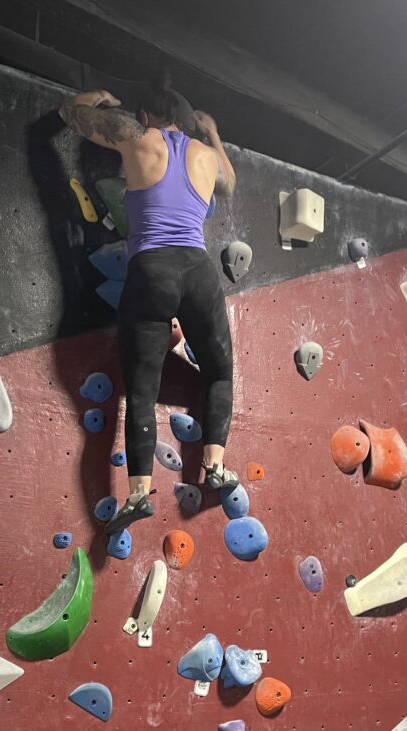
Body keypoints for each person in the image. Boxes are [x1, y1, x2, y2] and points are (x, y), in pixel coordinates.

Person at [58, 72, 238, 535]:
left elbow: (69, 116)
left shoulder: (138, 136)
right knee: (218, 372)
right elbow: (230, 184)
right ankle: (214, 466)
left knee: (138, 390)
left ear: (146, 116)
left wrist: (93, 98)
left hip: (151, 268)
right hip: (198, 272)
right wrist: (213, 131)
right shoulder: (204, 155)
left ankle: (138, 493)